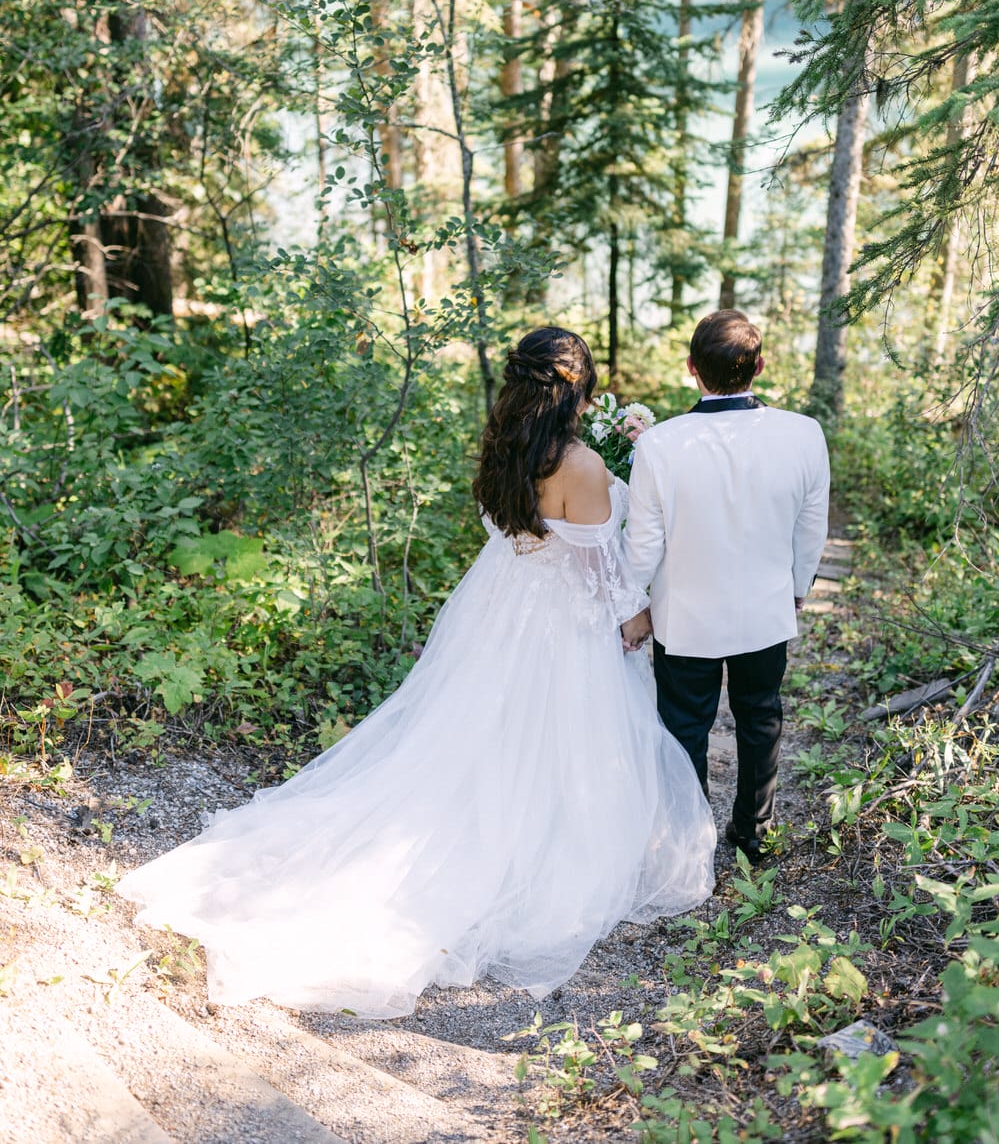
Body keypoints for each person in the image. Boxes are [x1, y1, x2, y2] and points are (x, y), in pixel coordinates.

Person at [118, 327, 716, 1018]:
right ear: (577, 389)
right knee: (554, 736)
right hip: (555, 626)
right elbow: (597, 573)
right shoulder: (577, 465)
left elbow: (515, 533)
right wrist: (636, 618)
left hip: (500, 608)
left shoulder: (503, 447)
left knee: (478, 734)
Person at [624, 310, 830, 863]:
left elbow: (643, 545)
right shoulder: (804, 433)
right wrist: (797, 588)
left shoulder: (659, 445)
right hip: (764, 609)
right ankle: (752, 834)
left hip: (684, 616)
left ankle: (691, 842)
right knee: (760, 716)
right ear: (759, 367)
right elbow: (812, 527)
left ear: (692, 369)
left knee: (685, 727)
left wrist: (633, 603)